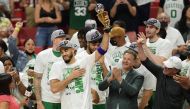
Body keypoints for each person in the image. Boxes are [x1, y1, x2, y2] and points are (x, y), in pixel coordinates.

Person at [49, 28, 109, 109]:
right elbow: (54, 89)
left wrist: (106, 31)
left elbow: (103, 49)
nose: (64, 53)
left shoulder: (85, 62)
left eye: (66, 50)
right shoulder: (56, 66)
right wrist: (70, 77)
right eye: (61, 51)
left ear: (73, 50)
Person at [137, 34, 190, 109]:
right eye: (165, 65)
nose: (165, 67)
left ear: (175, 70)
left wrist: (188, 87)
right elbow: (144, 60)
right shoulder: (161, 72)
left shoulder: (182, 82)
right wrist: (140, 46)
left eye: (168, 67)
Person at [75, 29, 109, 109]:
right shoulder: (79, 58)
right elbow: (76, 81)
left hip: (102, 100)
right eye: (93, 44)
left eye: (98, 44)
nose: (96, 47)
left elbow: (108, 79)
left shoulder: (104, 57)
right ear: (87, 43)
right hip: (85, 101)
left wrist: (102, 64)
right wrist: (91, 91)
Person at [34, 29, 66, 109]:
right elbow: (37, 79)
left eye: (64, 38)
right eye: (61, 38)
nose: (64, 40)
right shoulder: (42, 55)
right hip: (47, 99)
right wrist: (38, 101)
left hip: (65, 99)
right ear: (54, 40)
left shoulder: (69, 55)